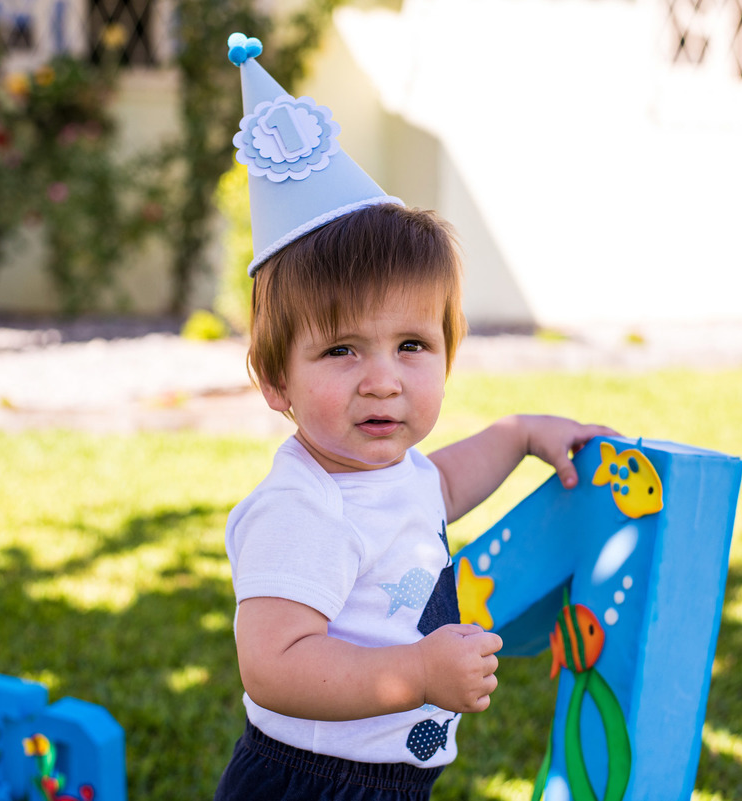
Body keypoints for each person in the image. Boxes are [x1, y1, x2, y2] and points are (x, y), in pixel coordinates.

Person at [216, 35, 616, 801]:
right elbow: (274, 663)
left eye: (410, 345)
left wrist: (522, 433)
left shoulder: (391, 473)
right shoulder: (305, 506)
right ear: (275, 380)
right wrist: (416, 672)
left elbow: (444, 482)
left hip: (388, 778)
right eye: (341, 350)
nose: (383, 381)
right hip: (311, 784)